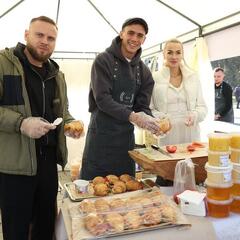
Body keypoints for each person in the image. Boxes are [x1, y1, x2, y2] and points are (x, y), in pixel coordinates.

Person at [0, 16, 84, 240]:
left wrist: (69, 124)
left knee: (46, 225)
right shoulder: (3, 63)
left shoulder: (57, 75)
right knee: (16, 228)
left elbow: (63, 112)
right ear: (26, 34)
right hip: (15, 165)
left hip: (48, 161)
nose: (45, 41)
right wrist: (21, 123)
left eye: (51, 38)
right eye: (39, 35)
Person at [80, 17, 162, 180]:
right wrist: (132, 116)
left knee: (125, 190)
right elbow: (102, 99)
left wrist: (153, 122)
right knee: (94, 188)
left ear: (144, 39)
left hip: (125, 140)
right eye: (131, 33)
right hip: (100, 137)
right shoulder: (103, 61)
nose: (134, 39)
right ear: (121, 34)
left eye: (140, 35)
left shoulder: (144, 72)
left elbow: (142, 106)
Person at [151, 38, 207, 185]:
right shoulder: (155, 78)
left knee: (191, 180)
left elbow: (203, 107)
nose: (174, 57)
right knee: (166, 179)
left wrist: (194, 115)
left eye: (178, 52)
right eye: (170, 52)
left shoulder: (193, 77)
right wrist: (162, 119)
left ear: (182, 54)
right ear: (164, 54)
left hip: (190, 136)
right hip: (167, 137)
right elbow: (150, 109)